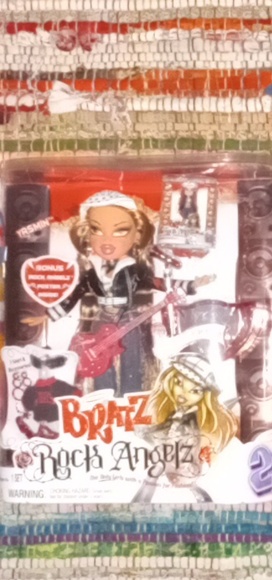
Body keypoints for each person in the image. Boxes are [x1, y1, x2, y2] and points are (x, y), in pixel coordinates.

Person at [25, 190, 196, 395]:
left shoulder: (134, 270)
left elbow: (158, 283)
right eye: (96, 230)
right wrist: (47, 315)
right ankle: (102, 398)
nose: (107, 240)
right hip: (102, 319)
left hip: (129, 320)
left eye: (120, 231)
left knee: (132, 362)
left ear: (137, 234)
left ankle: (131, 398)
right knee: (100, 363)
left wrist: (189, 286)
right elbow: (73, 296)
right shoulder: (92, 272)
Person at [134, 353, 238, 502]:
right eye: (179, 383)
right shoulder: (173, 412)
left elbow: (192, 442)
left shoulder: (195, 420)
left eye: (195, 391)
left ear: (205, 395)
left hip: (185, 465)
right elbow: (163, 430)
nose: (183, 394)